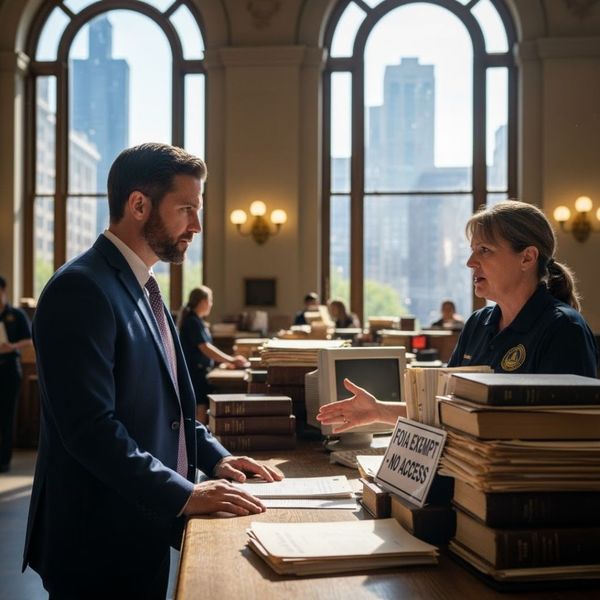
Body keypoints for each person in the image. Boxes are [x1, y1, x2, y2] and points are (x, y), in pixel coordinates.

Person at [23, 143, 282, 599]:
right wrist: (184, 493)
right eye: (186, 209)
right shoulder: (80, 289)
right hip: (96, 541)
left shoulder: (142, 286)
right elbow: (89, 430)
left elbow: (168, 405)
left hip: (139, 521)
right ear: (138, 205)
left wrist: (215, 457)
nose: (197, 226)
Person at [318, 200, 598, 434]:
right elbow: (446, 409)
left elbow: (566, 433)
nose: (470, 262)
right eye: (473, 250)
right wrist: (379, 410)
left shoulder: (563, 328)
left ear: (527, 258)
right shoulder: (478, 323)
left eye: (484, 250)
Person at [178, 286, 249, 423]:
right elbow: (205, 348)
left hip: (201, 372)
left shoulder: (198, 321)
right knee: (200, 408)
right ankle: (197, 442)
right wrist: (232, 360)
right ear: (203, 302)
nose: (211, 304)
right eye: (210, 300)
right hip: (195, 373)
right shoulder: (192, 321)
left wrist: (224, 362)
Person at [0, 276, 33, 473]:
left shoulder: (16, 315)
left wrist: (12, 346)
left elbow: (29, 340)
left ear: (4, 291)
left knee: (6, 416)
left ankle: (4, 460)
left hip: (9, 368)